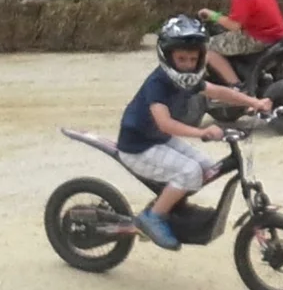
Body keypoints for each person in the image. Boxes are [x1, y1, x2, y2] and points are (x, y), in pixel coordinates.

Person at [117, 15, 273, 251]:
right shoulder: (158, 83)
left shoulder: (187, 79)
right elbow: (165, 123)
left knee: (206, 168)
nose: (188, 64)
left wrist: (254, 101)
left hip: (158, 140)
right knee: (190, 172)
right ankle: (153, 216)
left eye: (193, 58)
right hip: (138, 147)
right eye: (181, 59)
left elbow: (218, 91)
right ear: (168, 56)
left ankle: (173, 203)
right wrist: (202, 132)